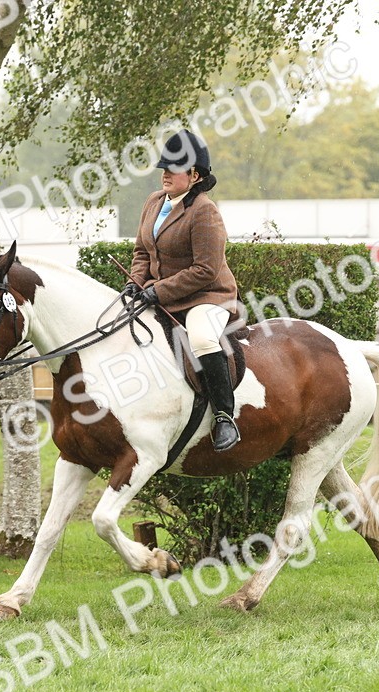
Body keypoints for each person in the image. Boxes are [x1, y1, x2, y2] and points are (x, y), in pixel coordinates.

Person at [126, 129, 241, 451]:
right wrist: (135, 283)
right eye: (163, 167)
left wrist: (158, 291)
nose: (165, 174)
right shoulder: (153, 202)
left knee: (202, 338)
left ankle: (224, 416)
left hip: (207, 296)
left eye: (173, 169)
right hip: (160, 293)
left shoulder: (204, 211)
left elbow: (206, 270)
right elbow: (142, 252)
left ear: (194, 176)